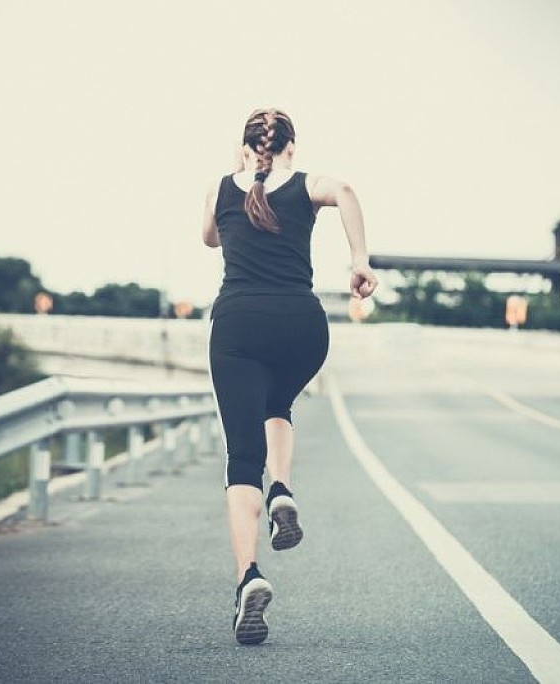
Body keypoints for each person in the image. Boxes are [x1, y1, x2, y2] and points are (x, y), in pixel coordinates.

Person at [201, 108, 378, 645]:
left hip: (238, 324)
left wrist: (237, 170)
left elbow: (209, 238)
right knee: (278, 402)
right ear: (292, 149)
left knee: (241, 458)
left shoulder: (220, 189)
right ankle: (281, 487)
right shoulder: (305, 186)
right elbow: (346, 189)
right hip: (303, 327)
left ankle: (249, 576)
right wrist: (360, 261)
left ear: (245, 148)